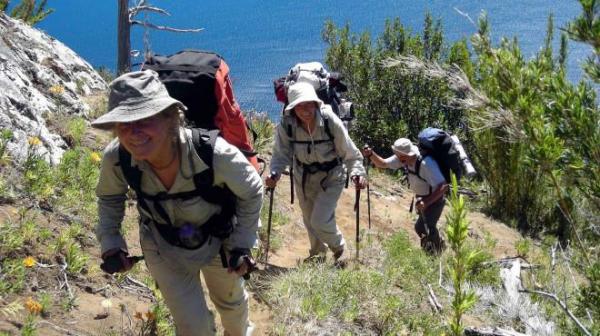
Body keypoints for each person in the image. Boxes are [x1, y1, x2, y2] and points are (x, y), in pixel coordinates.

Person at [92, 70, 262, 336]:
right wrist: (111, 245)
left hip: (220, 241)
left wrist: (242, 244)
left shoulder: (214, 154)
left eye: (144, 119)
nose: (133, 133)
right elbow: (109, 198)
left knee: (232, 309)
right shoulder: (117, 158)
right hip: (162, 245)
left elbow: (252, 190)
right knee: (192, 327)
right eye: (124, 124)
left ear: (171, 117)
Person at [266, 82, 367, 263]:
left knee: (319, 220)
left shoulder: (329, 120)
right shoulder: (287, 125)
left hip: (332, 175)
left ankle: (340, 248)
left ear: (316, 104)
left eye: (309, 104)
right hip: (302, 176)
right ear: (293, 108)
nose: (306, 110)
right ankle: (318, 255)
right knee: (308, 218)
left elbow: (349, 152)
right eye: (300, 106)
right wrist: (274, 173)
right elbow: (281, 154)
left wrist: (357, 173)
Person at [362, 138, 448, 254]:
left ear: (407, 154)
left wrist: (426, 202)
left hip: (434, 199)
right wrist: (371, 154)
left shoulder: (425, 164)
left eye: (399, 156)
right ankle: (438, 246)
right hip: (421, 199)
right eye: (397, 155)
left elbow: (443, 186)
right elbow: (383, 163)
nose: (397, 158)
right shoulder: (402, 158)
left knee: (422, 228)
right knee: (425, 227)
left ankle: (433, 255)